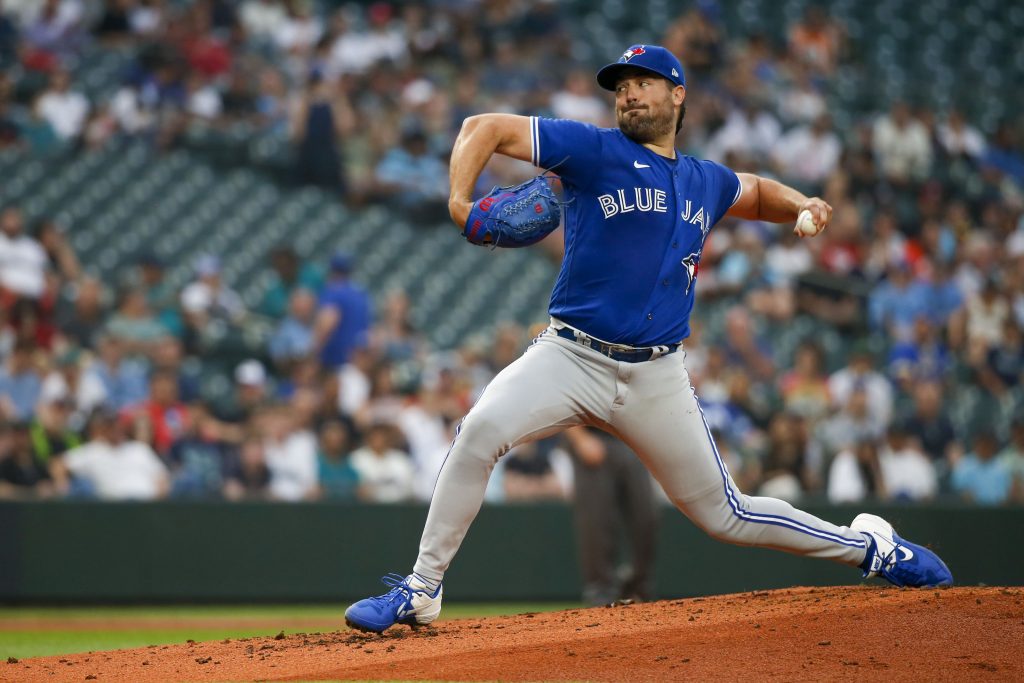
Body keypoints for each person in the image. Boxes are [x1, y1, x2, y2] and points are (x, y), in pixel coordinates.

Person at [344, 44, 953, 634]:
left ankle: (870, 548)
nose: (628, 92)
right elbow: (484, 126)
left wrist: (803, 202)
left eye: (642, 81)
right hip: (572, 354)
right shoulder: (593, 151)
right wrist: (458, 198)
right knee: (478, 432)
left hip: (657, 374)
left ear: (677, 93)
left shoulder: (703, 180)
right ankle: (422, 589)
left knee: (726, 514)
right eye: (620, 85)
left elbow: (757, 192)